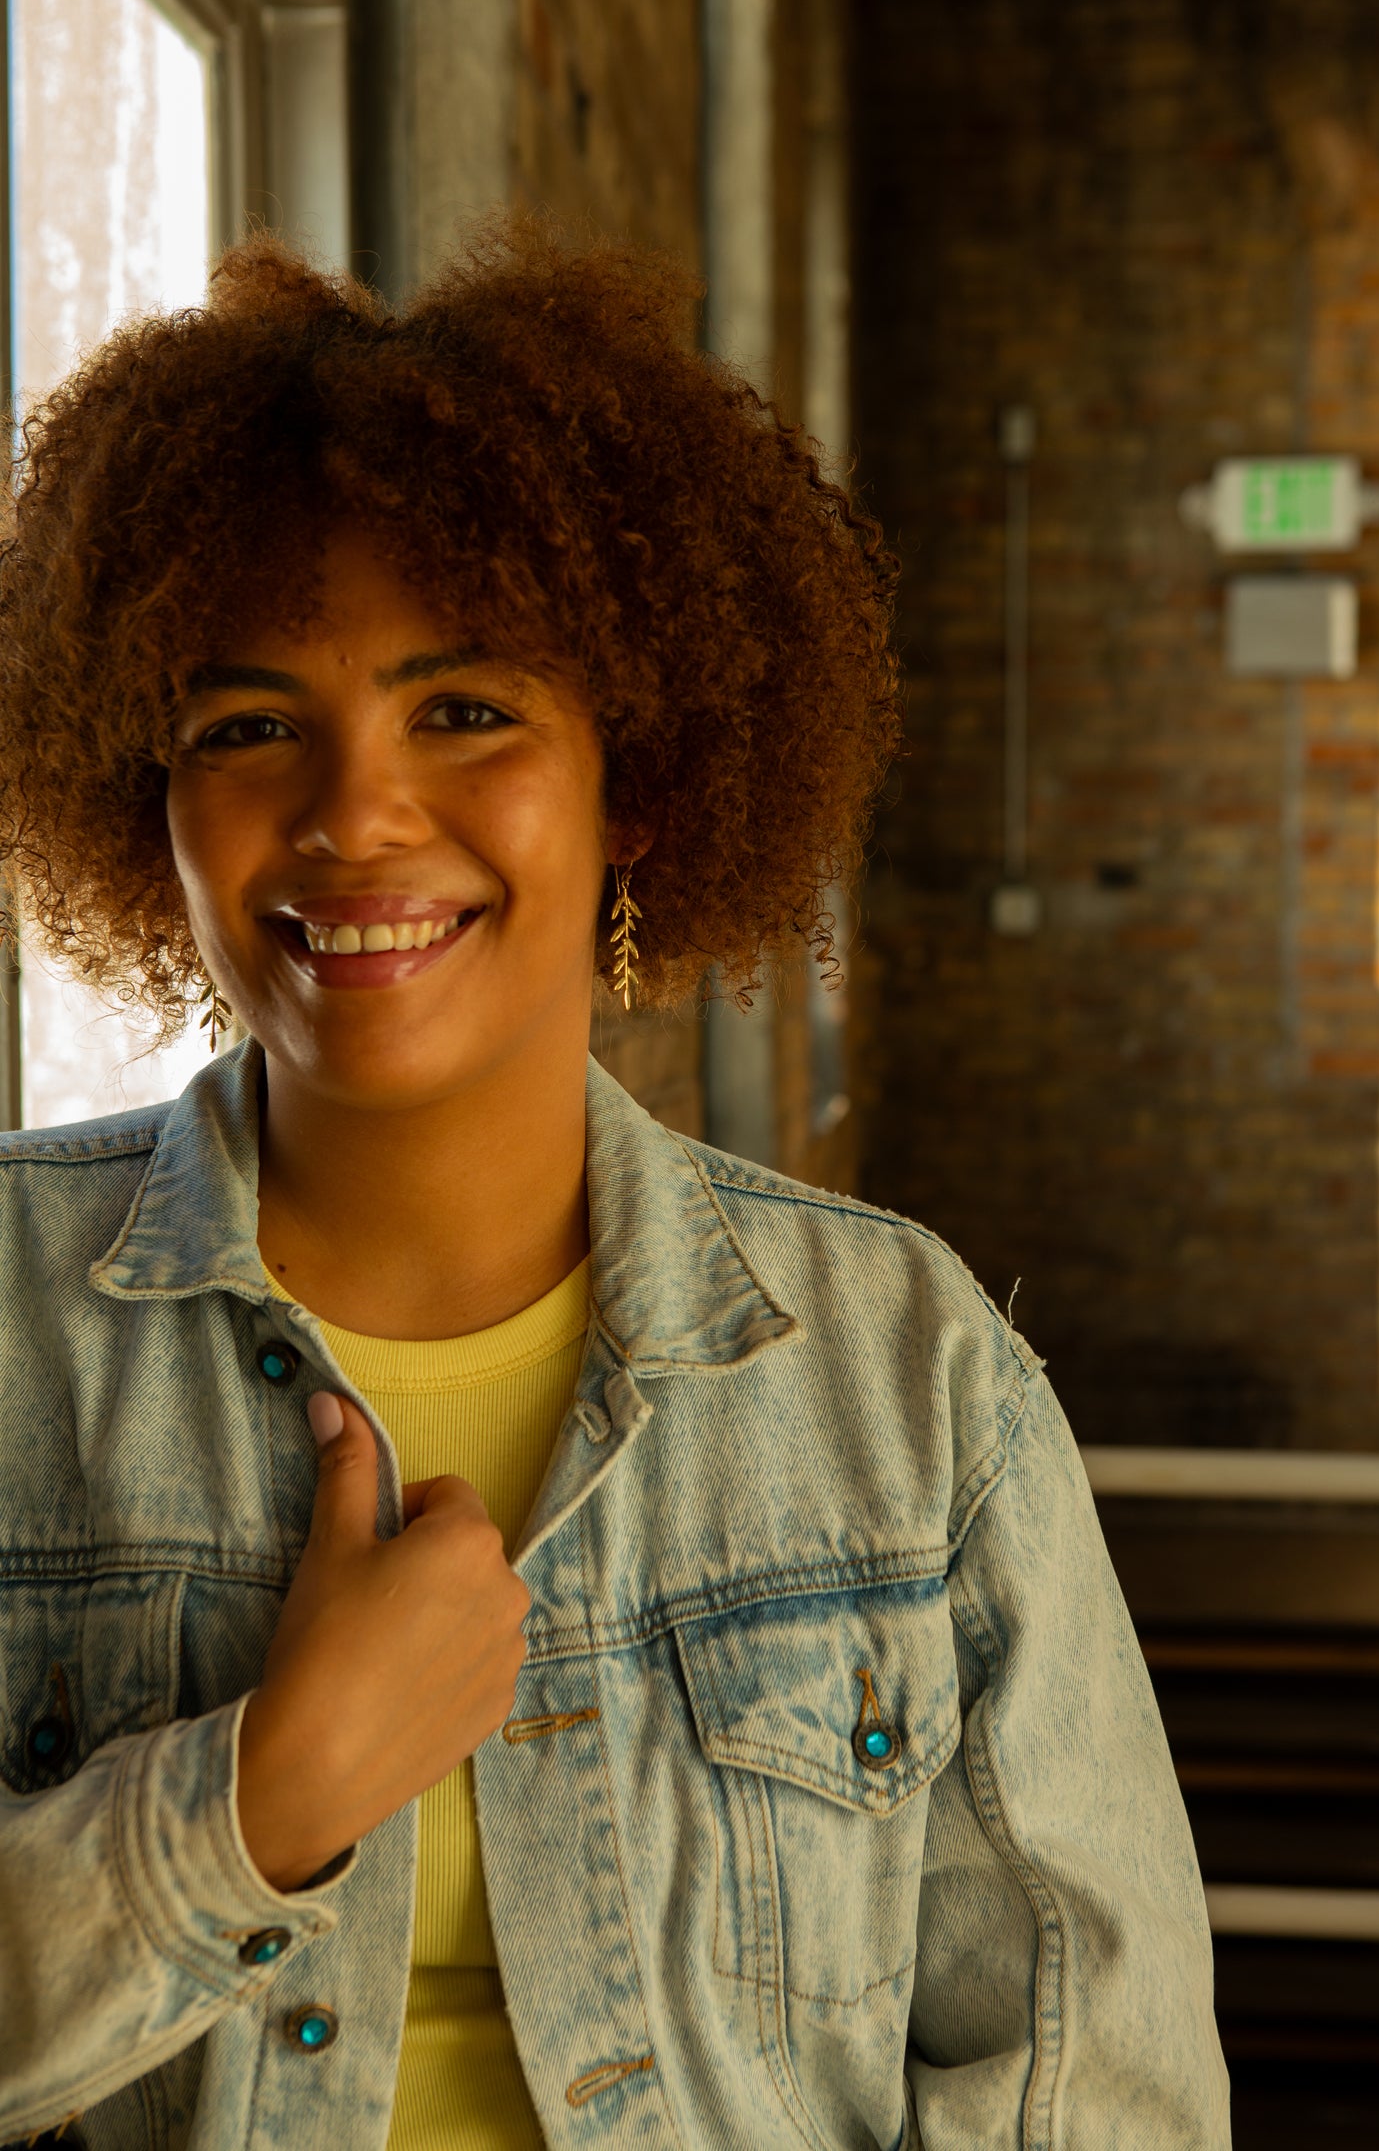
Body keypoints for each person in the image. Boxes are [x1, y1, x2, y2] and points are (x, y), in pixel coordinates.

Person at [0, 225, 1229, 2151]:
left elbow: (1101, 2100)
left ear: (632, 780)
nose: (354, 813)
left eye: (465, 710)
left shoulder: (910, 1387)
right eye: (248, 727)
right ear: (141, 798)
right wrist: (253, 1806)